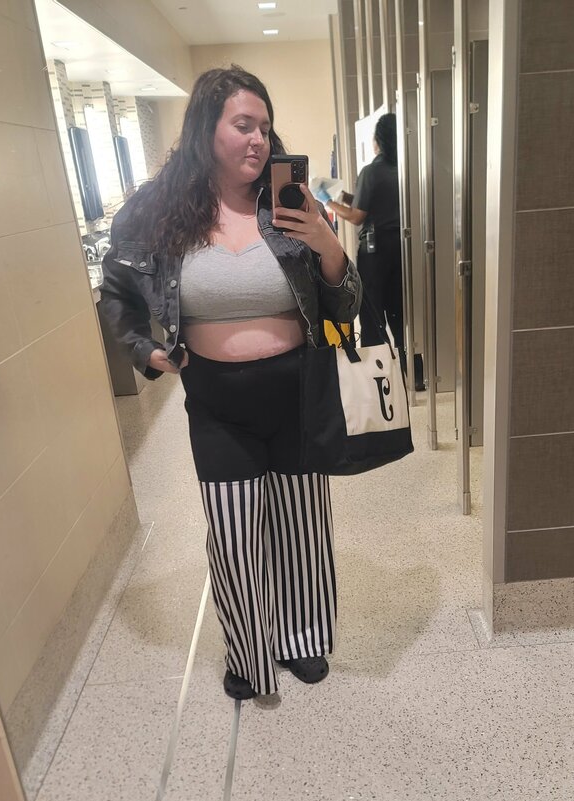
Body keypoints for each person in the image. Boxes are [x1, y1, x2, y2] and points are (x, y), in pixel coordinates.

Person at [99, 66, 362, 701]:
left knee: (302, 527)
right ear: (204, 130)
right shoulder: (158, 212)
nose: (258, 140)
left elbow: (344, 302)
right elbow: (116, 290)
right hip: (216, 405)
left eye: (265, 127)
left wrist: (327, 244)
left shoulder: (289, 203)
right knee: (234, 534)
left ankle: (302, 638)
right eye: (243, 125)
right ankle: (247, 653)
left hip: (297, 396)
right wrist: (145, 349)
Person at [326, 113, 424, 391]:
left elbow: (357, 216)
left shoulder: (371, 171)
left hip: (374, 251)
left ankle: (378, 376)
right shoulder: (404, 171)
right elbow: (365, 202)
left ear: (377, 140)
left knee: (371, 314)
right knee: (399, 312)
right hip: (401, 248)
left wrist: (327, 201)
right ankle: (414, 374)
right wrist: (342, 195)